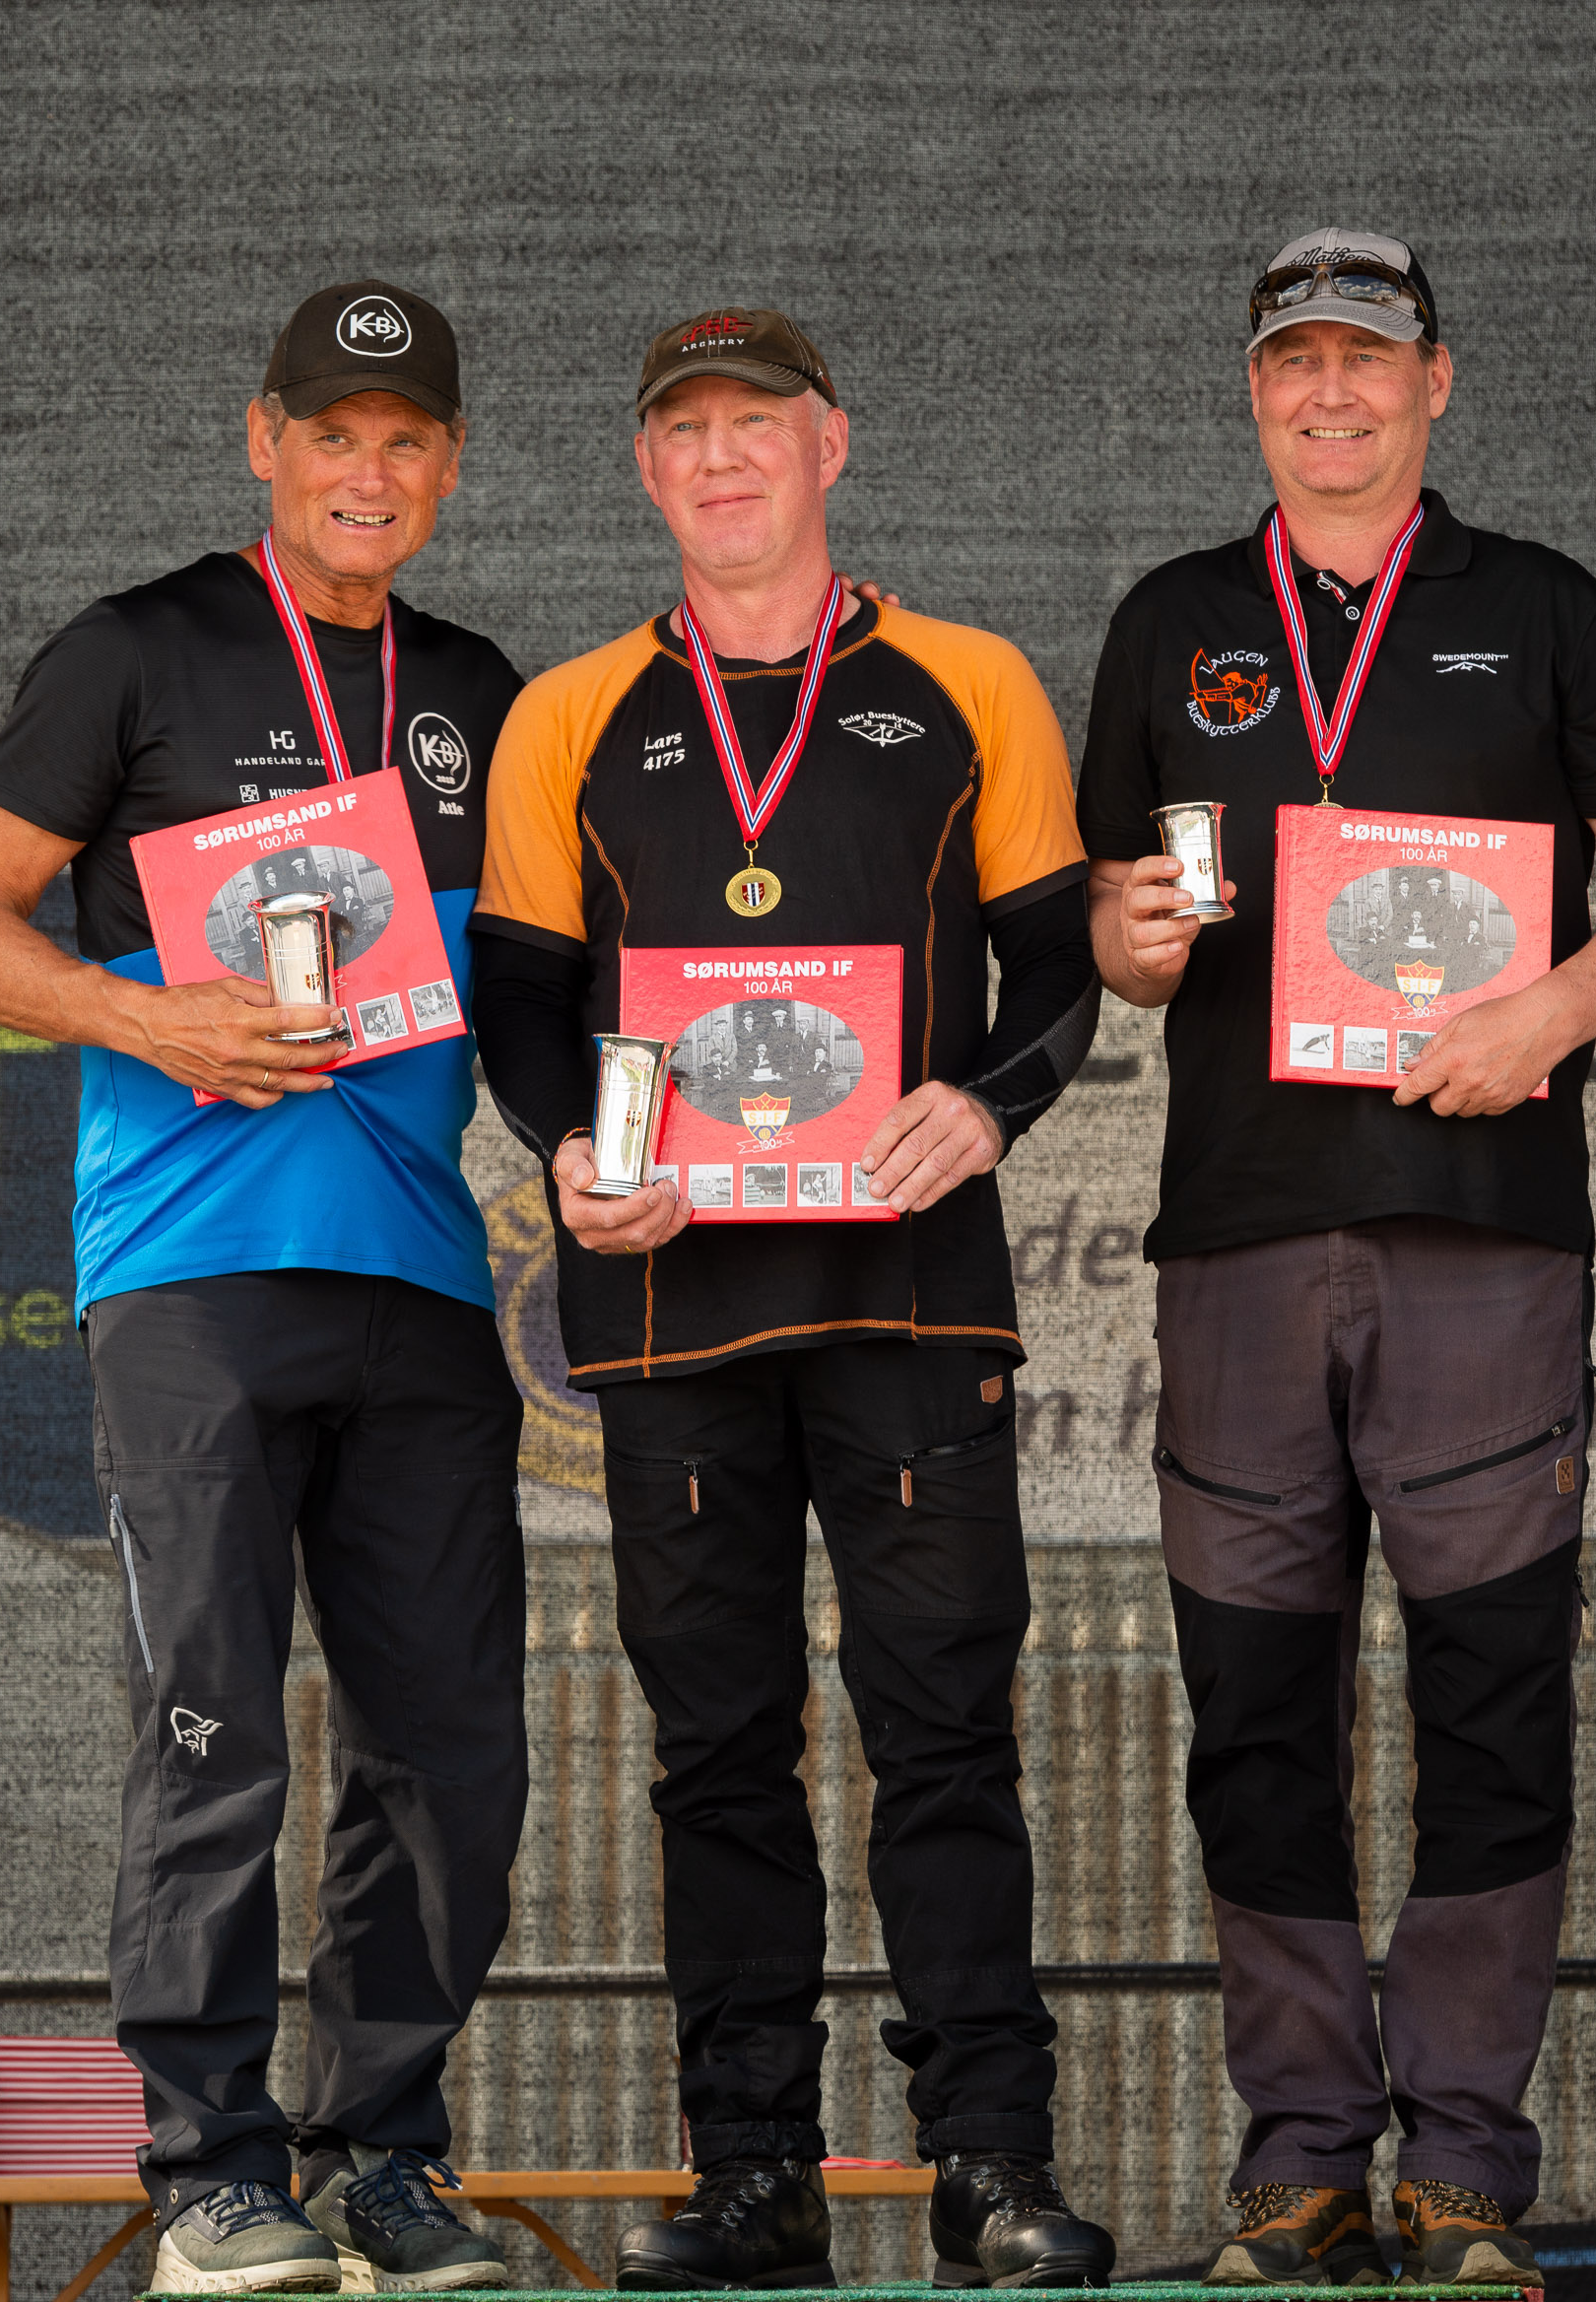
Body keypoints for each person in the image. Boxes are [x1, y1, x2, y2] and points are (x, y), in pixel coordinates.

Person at [1078, 230, 1596, 2287]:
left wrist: (1549, 1011)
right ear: (1254, 391)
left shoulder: (1541, 608)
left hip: (1484, 1239)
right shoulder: (1175, 620)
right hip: (1240, 1239)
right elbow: (1112, 925)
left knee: (1491, 1694)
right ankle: (1297, 2158)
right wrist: (1130, 936)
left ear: (1436, 381)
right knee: (1251, 1707)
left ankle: (1460, 2165)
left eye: (1369, 358)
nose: (1332, 392)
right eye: (1297, 361)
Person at [471, 306, 1115, 2292]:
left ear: (831, 443)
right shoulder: (568, 713)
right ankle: (751, 2172)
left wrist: (982, 1105)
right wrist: (566, 1150)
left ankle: (989, 2163)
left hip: (908, 1295)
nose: (723, 456)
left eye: (757, 421)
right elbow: (521, 1000)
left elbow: (1056, 969)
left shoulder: (968, 682)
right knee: (716, 1754)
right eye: (685, 431)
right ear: (645, 469)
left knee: (944, 1733)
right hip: (671, 1310)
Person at [0, 280, 528, 2296]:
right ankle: (207, 2176)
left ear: (450, 467)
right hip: (190, 1274)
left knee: (452, 1753)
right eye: (333, 434)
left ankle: (383, 2158)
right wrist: (146, 1014)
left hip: (425, 1277)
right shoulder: (137, 649)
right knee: (211, 1727)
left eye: (407, 440)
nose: (370, 472)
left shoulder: (479, 688)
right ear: (264, 442)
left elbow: (538, 987)